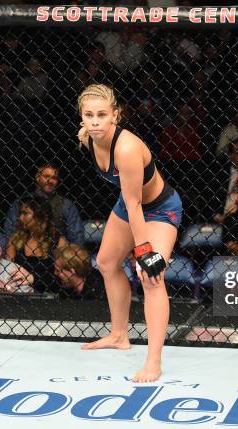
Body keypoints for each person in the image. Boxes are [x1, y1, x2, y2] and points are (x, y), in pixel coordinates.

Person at [76, 84, 183, 383]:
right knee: (107, 262)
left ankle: (153, 361)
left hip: (160, 209)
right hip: (130, 205)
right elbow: (130, 202)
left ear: (115, 115)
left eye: (101, 114)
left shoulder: (126, 148)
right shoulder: (88, 137)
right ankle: (119, 335)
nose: (95, 121)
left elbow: (137, 204)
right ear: (82, 118)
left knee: (151, 275)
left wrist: (145, 251)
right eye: (89, 115)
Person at [6, 196, 64, 293]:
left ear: (41, 216)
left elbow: (61, 277)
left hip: (49, 294)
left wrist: (33, 278)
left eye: (25, 213)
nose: (20, 218)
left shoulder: (58, 241)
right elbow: (8, 272)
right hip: (20, 293)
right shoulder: (15, 240)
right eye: (20, 213)